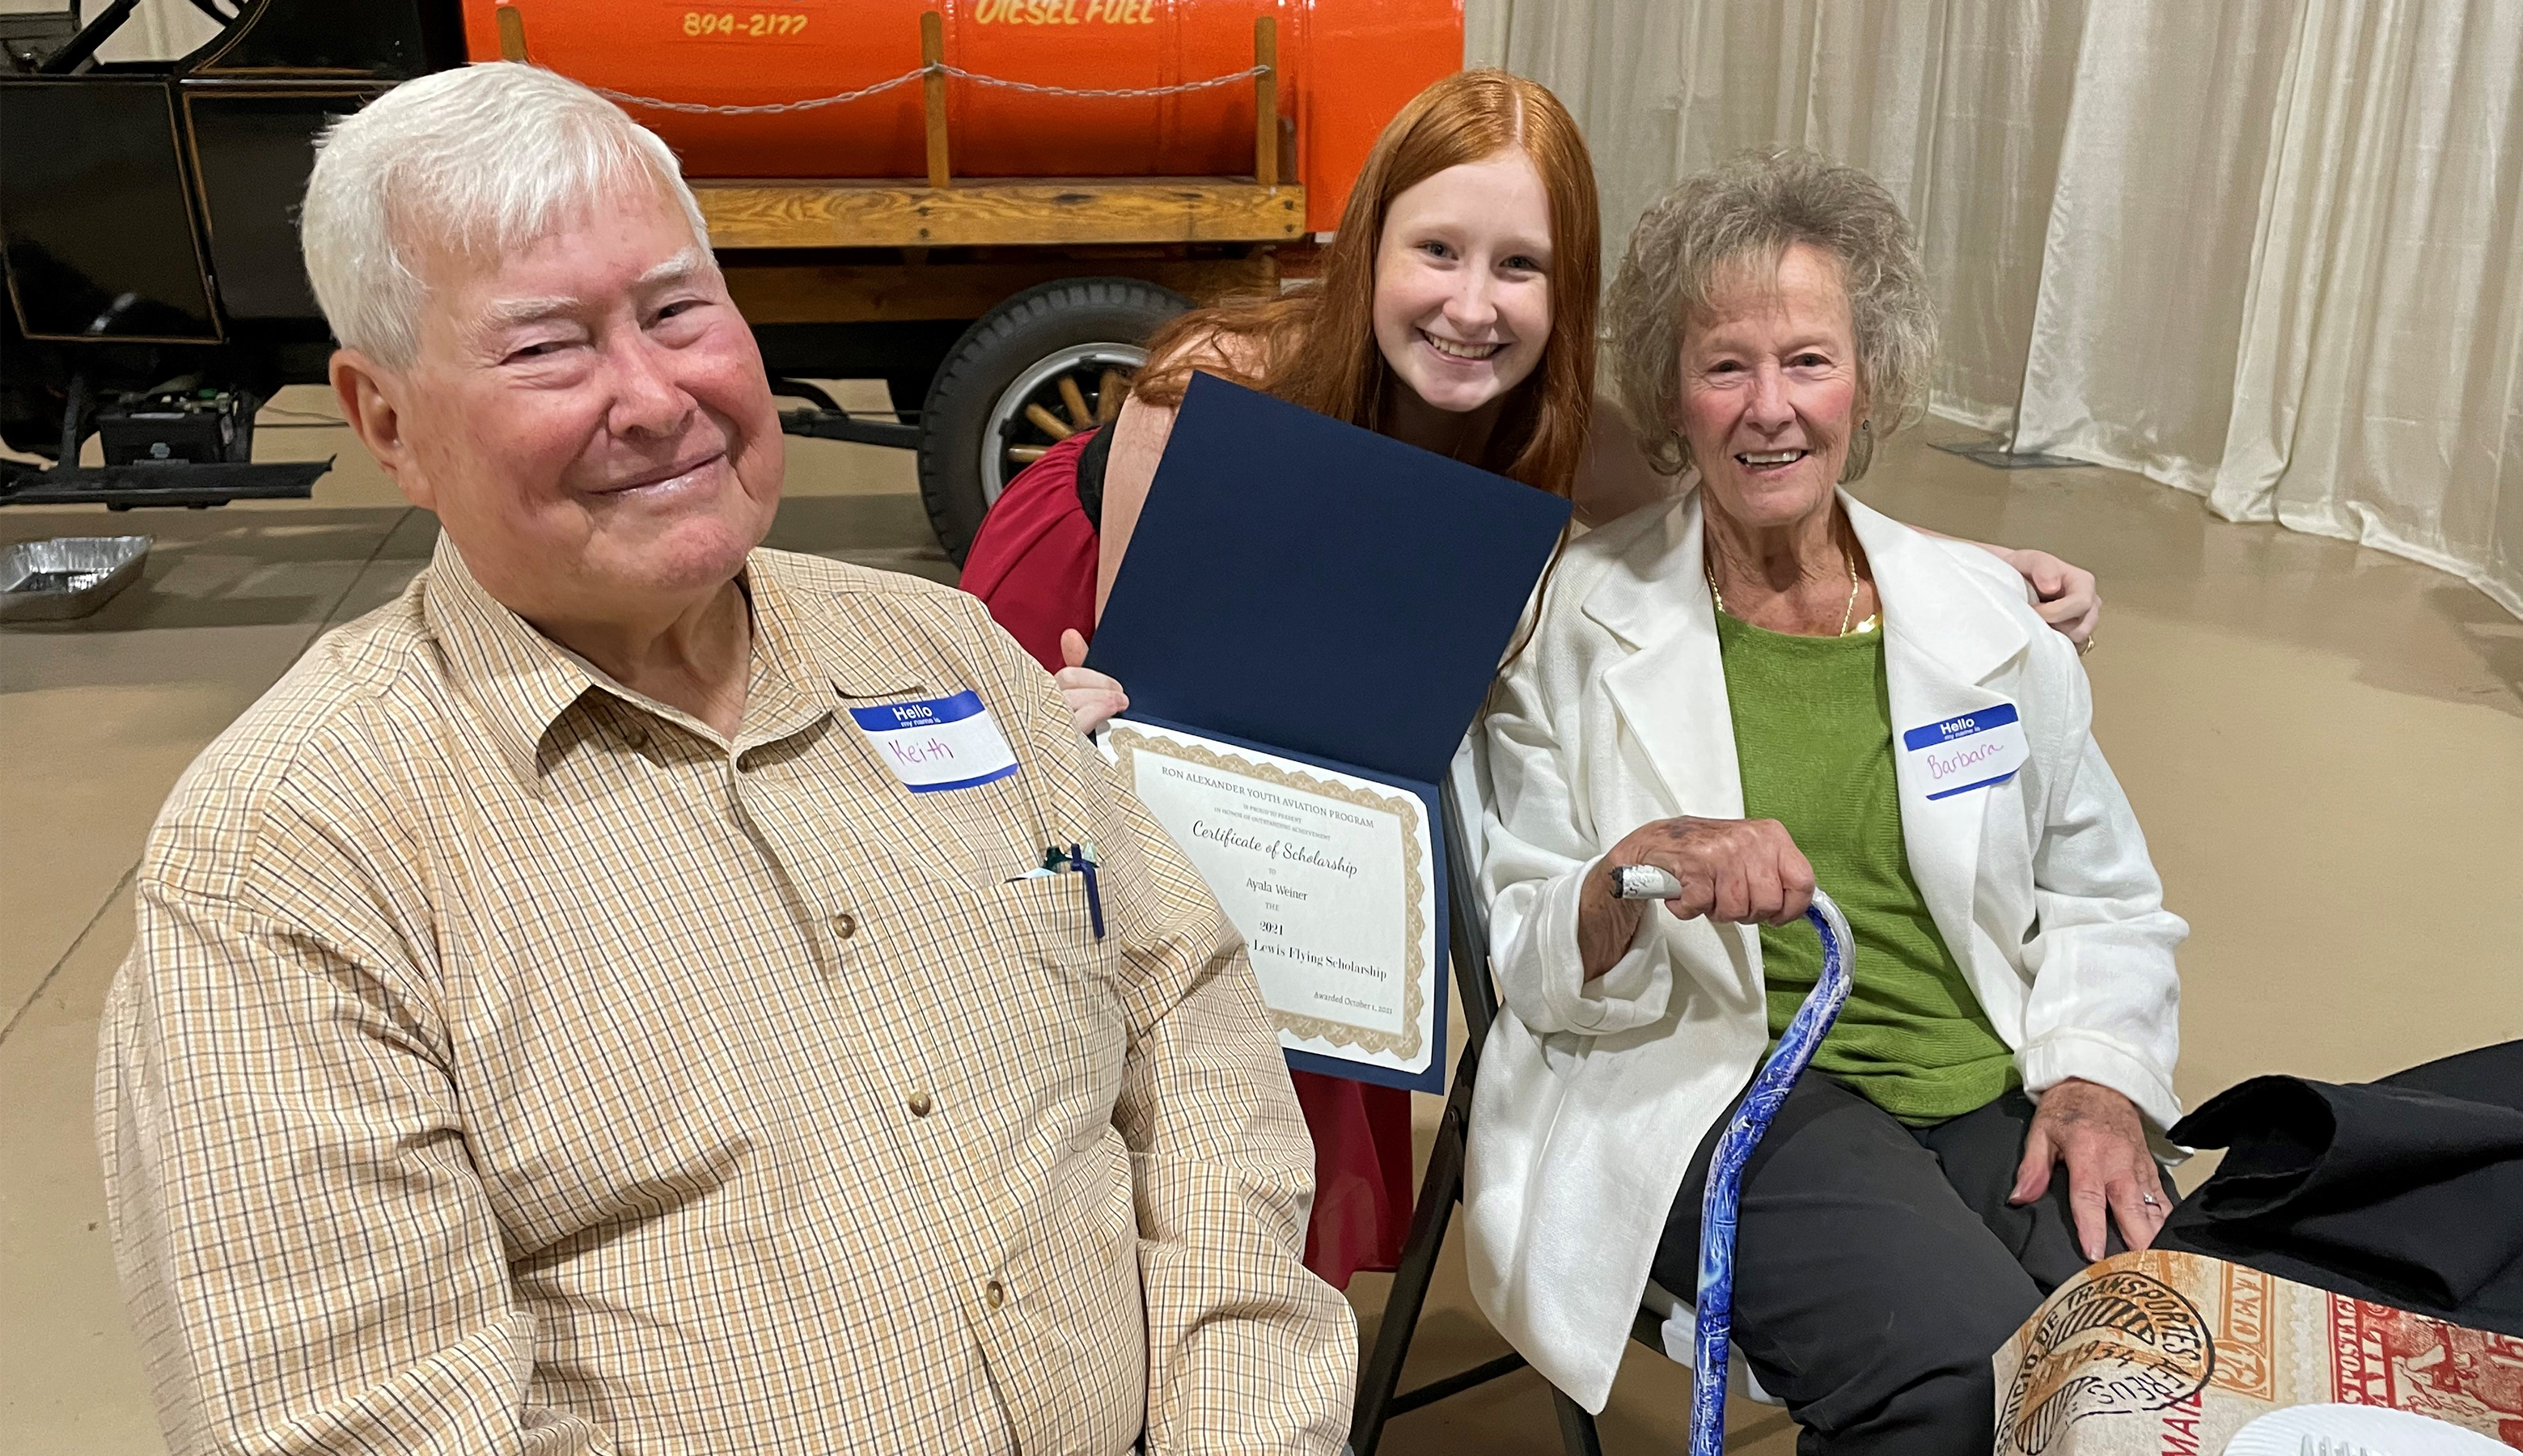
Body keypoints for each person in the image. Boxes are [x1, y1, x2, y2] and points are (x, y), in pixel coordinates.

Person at [95, 63, 1351, 1456]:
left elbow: (1189, 1025)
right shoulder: (293, 856)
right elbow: (350, 1420)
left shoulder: (942, 650)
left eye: (679, 310)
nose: (652, 397)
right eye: (546, 348)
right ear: (387, 420)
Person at [963, 70, 2113, 1293]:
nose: (1472, 305)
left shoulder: (1578, 444)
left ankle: (1251, 1304)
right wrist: (1089, 720)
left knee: (1321, 965)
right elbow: (1150, 683)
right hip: (1089, 624)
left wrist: (1956, 572)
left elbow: (1748, 499)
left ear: (1567, 293)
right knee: (1105, 962)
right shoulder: (1215, 377)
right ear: (1369, 250)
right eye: (1438, 251)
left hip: (1337, 684)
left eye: (1520, 267)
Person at [1461, 149, 2187, 1455]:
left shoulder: (1986, 618)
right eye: (1724, 363)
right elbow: (1523, 946)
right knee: (1959, 1380)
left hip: (1983, 1077)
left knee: (2161, 1360)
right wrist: (1629, 870)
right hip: (1721, 1082)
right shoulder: (1572, 622)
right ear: (1672, 397)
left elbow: (2103, 890)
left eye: (1808, 360)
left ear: (1873, 378)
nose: (1768, 409)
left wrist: (2095, 1076)